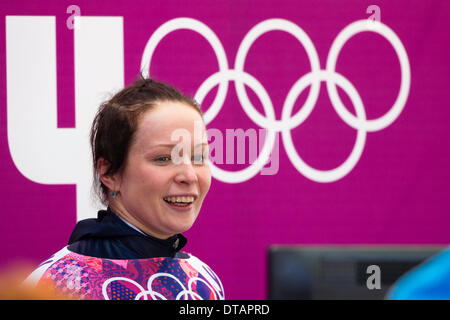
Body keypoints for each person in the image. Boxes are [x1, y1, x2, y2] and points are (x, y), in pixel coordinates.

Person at [24, 76, 224, 300]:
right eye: (163, 158)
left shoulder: (204, 281)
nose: (189, 175)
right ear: (109, 173)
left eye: (198, 157)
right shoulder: (53, 286)